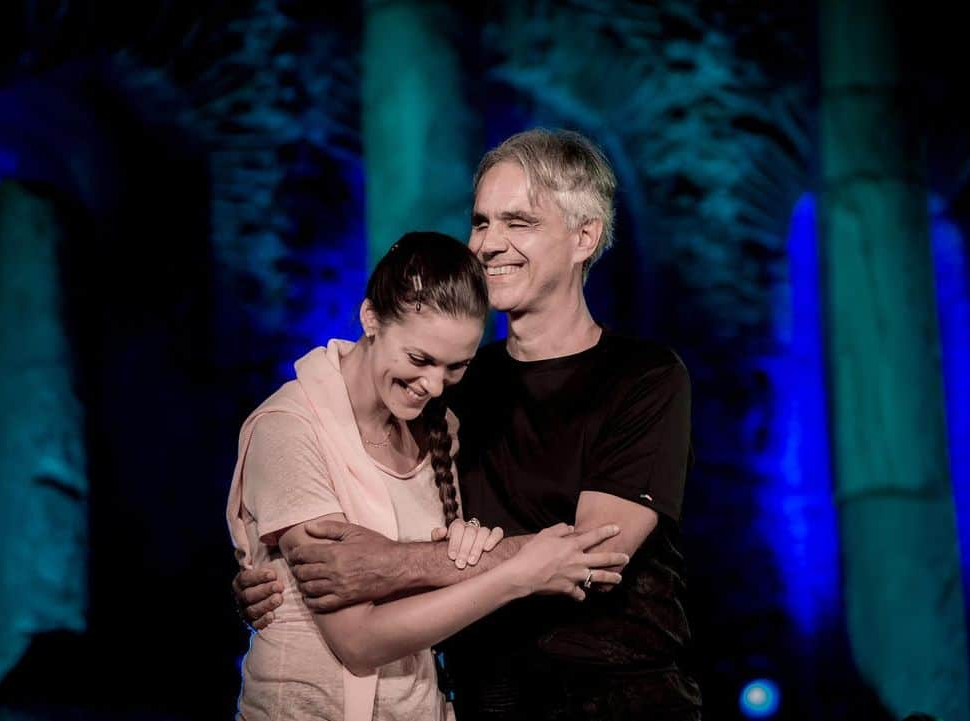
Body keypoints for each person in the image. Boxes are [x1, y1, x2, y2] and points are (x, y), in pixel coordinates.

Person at [235, 130, 703, 720]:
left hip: (617, 700)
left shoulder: (644, 378)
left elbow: (593, 557)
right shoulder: (450, 383)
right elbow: (364, 500)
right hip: (482, 699)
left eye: (518, 223)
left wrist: (386, 564)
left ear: (584, 237)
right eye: (481, 222)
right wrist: (283, 590)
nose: (488, 243)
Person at [226, 230, 630, 721]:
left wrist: (454, 556)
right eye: (419, 359)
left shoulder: (439, 429)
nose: (434, 385)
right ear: (370, 317)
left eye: (455, 367)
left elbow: (429, 588)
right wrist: (518, 576)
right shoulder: (289, 429)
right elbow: (357, 641)